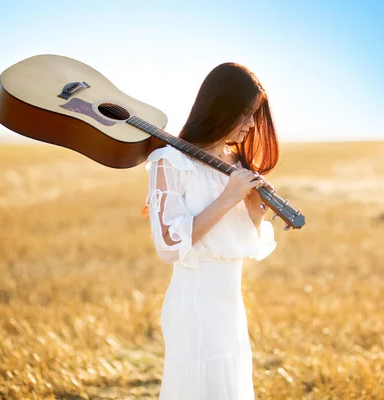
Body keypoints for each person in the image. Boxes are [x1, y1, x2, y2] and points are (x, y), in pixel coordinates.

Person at [144, 62, 280, 399]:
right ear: (222, 108)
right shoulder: (170, 160)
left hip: (230, 303)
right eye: (245, 114)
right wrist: (228, 197)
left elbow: (240, 243)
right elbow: (169, 245)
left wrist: (253, 213)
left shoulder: (237, 165)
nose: (251, 124)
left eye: (255, 114)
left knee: (230, 386)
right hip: (193, 302)